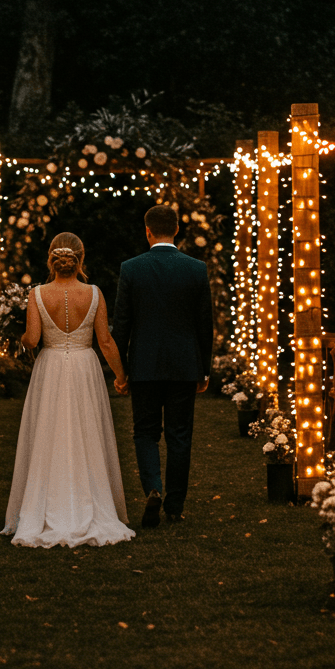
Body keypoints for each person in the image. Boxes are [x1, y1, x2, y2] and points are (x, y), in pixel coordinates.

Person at [1, 232, 135, 548]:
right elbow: (105, 340)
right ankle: (91, 502)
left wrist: (16, 338)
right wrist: (121, 375)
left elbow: (32, 339)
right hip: (85, 368)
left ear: (52, 259)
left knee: (48, 432)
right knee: (87, 432)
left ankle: (44, 506)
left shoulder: (36, 294)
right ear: (80, 259)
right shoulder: (94, 293)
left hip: (49, 369)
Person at [112, 204, 214, 527]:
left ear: (147, 231)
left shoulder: (131, 268)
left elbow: (122, 325)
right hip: (184, 365)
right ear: (177, 230)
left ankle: (153, 488)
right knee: (180, 434)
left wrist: (122, 371)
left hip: (143, 365)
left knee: (145, 432)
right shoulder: (196, 269)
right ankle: (174, 505)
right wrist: (205, 369)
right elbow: (204, 325)